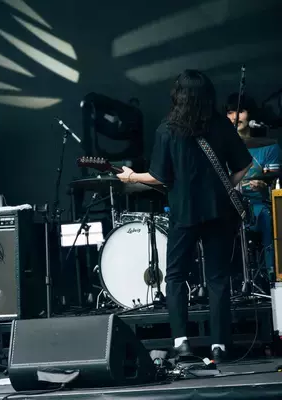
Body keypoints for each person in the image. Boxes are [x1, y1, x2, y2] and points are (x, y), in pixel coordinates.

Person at [116, 70, 252, 363]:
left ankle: (181, 343)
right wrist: (225, 186)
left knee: (176, 277)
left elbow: (157, 176)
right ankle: (220, 346)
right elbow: (244, 164)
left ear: (178, 95)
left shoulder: (167, 129)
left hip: (183, 213)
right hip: (219, 212)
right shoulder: (221, 125)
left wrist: (130, 176)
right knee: (217, 278)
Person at [225, 93, 279, 278]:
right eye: (230, 112)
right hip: (230, 205)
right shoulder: (222, 148)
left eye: (240, 111)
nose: (234, 117)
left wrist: (263, 187)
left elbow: (275, 184)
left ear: (251, 114)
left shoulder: (269, 148)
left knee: (266, 215)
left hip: (258, 204)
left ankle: (271, 273)